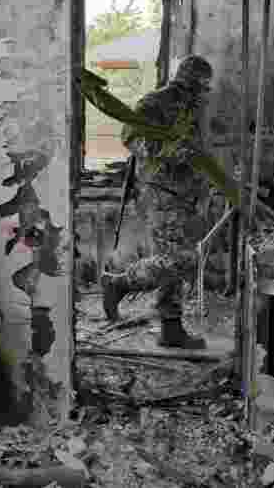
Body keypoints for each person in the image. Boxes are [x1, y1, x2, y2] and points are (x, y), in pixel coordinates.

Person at [100, 55, 213, 349]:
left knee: (177, 264)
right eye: (196, 87)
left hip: (185, 195)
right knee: (180, 260)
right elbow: (131, 136)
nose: (199, 94)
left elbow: (196, 150)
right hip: (161, 194)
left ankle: (171, 328)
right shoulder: (155, 102)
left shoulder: (194, 107)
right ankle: (120, 283)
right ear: (184, 81)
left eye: (202, 89)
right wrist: (171, 153)